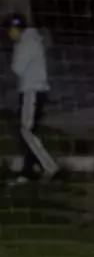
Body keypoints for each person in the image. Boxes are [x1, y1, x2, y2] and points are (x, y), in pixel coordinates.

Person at [4, 13, 59, 184]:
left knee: (26, 131)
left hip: (32, 92)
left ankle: (50, 167)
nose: (8, 34)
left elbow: (17, 68)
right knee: (29, 132)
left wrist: (15, 51)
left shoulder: (25, 43)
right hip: (33, 91)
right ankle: (29, 170)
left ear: (15, 29)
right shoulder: (32, 39)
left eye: (10, 30)